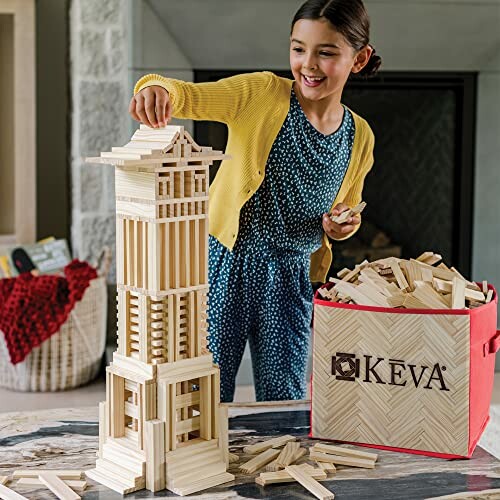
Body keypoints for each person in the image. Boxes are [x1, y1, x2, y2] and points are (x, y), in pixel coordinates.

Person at [128, 0, 381, 403]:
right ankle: (202, 458)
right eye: (298, 49)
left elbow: (347, 210)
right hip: (226, 261)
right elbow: (186, 95)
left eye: (327, 53)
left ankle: (278, 460)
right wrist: (154, 87)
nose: (308, 65)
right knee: (205, 385)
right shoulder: (261, 93)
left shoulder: (360, 136)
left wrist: (340, 226)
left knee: (286, 394)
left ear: (359, 58)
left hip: (293, 275)